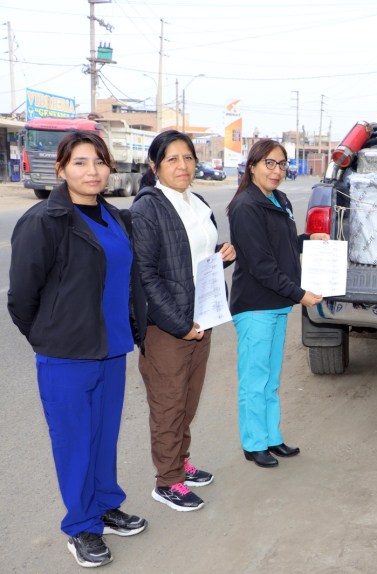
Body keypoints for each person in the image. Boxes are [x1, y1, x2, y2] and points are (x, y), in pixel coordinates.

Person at [8, 131, 148, 568]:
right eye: (80, 162)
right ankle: (81, 526)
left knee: (104, 436)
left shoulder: (116, 217)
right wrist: (50, 337)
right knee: (74, 443)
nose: (92, 171)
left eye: (99, 162)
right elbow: (22, 297)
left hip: (112, 348)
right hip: (66, 355)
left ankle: (105, 506)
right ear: (62, 168)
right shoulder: (44, 221)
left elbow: (127, 281)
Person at [130, 130, 236, 511]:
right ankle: (167, 480)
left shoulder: (197, 202)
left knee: (187, 399)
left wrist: (223, 254)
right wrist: (179, 324)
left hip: (201, 317)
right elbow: (147, 276)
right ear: (155, 165)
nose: (182, 166)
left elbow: (196, 256)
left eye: (188, 158)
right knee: (168, 403)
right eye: (172, 159)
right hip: (168, 328)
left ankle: (180, 462)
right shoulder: (148, 208)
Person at [227, 140, 328, 468]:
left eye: (282, 164)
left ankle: (271, 437)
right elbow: (261, 265)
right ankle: (254, 443)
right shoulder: (246, 206)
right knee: (254, 380)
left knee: (270, 379)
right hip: (255, 306)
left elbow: (281, 246)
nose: (276, 170)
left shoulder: (279, 199)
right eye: (269, 163)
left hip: (276, 303)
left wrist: (307, 240)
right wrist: (300, 294)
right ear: (252, 166)